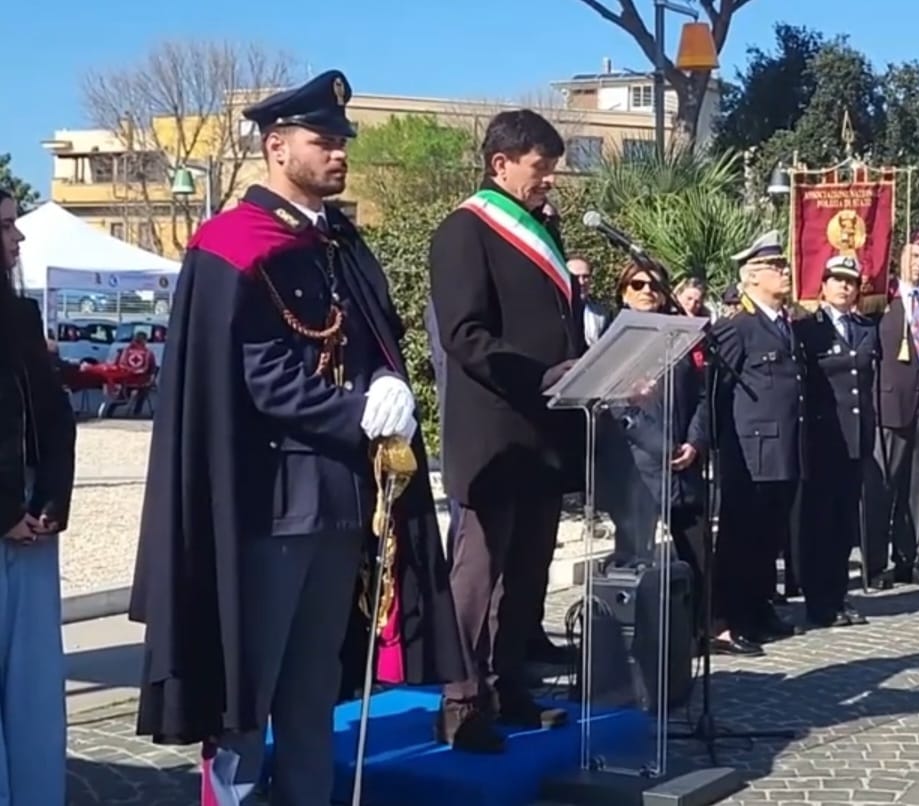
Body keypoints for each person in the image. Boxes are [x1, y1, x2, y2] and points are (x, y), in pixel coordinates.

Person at [131, 71, 462, 801]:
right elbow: (262, 377)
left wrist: (389, 379)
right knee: (246, 701)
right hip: (269, 509)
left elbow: (372, 337)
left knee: (313, 699)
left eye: (343, 141)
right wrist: (357, 412)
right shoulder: (232, 245)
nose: (339, 153)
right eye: (324, 141)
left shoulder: (335, 241)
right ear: (277, 147)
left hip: (342, 502)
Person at [429, 109, 580, 750]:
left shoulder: (541, 230)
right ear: (501, 163)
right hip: (493, 432)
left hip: (544, 432)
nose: (549, 180)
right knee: (479, 572)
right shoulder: (466, 230)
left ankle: (508, 684)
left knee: (529, 570)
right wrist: (540, 376)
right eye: (540, 168)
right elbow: (464, 335)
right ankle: (461, 702)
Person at [0, 188, 76, 805]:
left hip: (29, 519)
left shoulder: (21, 316)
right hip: (8, 515)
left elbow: (52, 417)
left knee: (33, 687)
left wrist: (49, 498)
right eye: (5, 226)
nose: (17, 238)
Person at [594, 262, 712, 621]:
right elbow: (617, 405)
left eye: (655, 285)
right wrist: (664, 448)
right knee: (636, 557)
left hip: (683, 466)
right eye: (637, 284)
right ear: (623, 291)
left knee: (698, 554)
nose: (647, 291)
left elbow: (701, 394)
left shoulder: (678, 335)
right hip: (637, 470)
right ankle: (639, 635)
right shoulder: (614, 339)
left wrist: (694, 441)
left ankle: (699, 630)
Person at [709, 231, 806, 654]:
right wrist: (713, 444)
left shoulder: (783, 324)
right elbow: (717, 392)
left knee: (768, 535)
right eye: (774, 267)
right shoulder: (738, 328)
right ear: (750, 277)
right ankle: (729, 616)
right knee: (740, 537)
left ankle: (758, 607)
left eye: (783, 264)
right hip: (750, 450)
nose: (784, 272)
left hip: (783, 446)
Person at [797, 256, 878, 627]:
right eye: (837, 280)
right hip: (823, 438)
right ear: (824, 285)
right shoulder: (807, 329)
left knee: (845, 523)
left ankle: (838, 593)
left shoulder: (865, 328)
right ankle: (819, 601)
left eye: (851, 281)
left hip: (856, 437)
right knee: (820, 523)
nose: (844, 287)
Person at [867, 241, 919, 589]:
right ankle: (875, 565)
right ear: (900, 258)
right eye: (914, 256)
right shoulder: (881, 299)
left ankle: (907, 559)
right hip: (889, 405)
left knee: (917, 487)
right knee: (882, 487)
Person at [571, 258, 608, 346]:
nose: (581, 282)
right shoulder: (552, 311)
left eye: (585, 277)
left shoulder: (601, 314)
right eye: (575, 277)